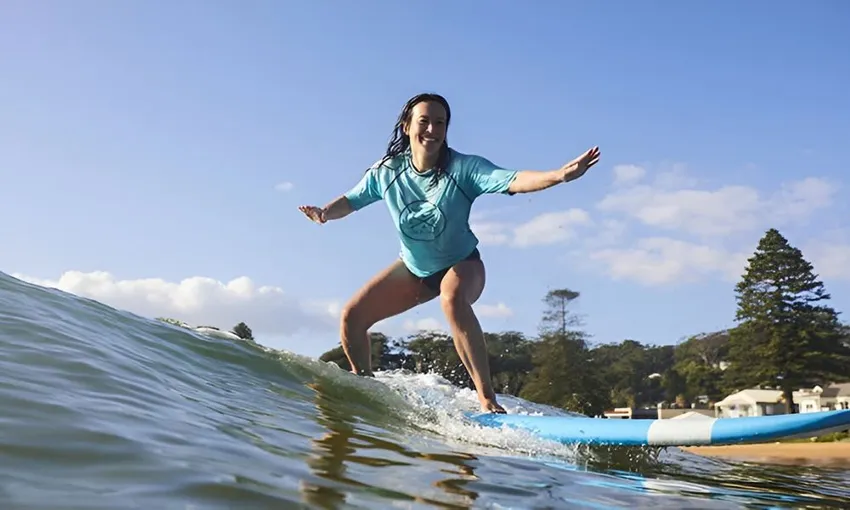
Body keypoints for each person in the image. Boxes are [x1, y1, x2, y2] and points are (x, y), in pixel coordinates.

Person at [299, 92, 600, 413]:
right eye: (424, 121)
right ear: (406, 127)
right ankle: (367, 389)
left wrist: (558, 176)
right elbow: (352, 199)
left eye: (440, 123)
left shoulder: (464, 168)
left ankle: (487, 399)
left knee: (452, 299)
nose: (432, 129)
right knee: (352, 317)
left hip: (463, 265)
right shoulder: (387, 172)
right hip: (415, 270)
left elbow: (513, 179)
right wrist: (325, 213)